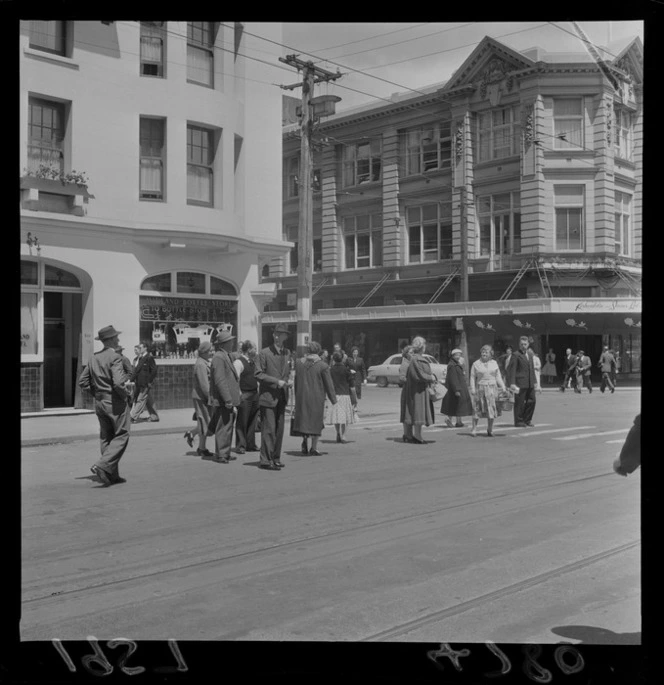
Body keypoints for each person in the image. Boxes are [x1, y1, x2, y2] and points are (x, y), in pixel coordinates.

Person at [78, 325, 132, 486]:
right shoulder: (115, 357)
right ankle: (102, 465)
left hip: (100, 402)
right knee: (122, 434)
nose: (118, 340)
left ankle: (111, 475)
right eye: (116, 337)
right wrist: (126, 396)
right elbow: (118, 383)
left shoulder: (94, 358)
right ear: (110, 340)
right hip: (114, 401)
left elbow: (83, 381)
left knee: (106, 437)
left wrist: (97, 394)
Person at [255, 324, 293, 470]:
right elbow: (258, 374)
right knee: (268, 429)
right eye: (276, 334)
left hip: (282, 396)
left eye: (281, 334)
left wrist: (288, 380)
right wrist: (277, 382)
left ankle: (275, 457)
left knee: (279, 430)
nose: (277, 337)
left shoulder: (287, 353)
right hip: (268, 397)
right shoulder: (264, 353)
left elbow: (287, 372)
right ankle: (265, 459)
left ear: (286, 337)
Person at [293, 341, 337, 456]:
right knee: (316, 422)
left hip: (302, 396)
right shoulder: (323, 365)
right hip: (316, 398)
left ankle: (304, 441)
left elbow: (296, 381)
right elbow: (329, 384)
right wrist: (333, 400)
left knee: (304, 420)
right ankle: (314, 447)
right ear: (318, 351)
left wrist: (297, 395)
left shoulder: (299, 363)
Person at [208, 330, 241, 464]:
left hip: (227, 399)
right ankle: (221, 453)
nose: (232, 343)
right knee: (224, 426)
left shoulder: (224, 355)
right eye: (230, 341)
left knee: (227, 426)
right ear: (224, 344)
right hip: (223, 400)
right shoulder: (219, 357)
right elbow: (220, 380)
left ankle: (224, 452)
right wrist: (227, 399)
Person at [400, 336, 436, 444]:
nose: (425, 347)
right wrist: (431, 377)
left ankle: (413, 435)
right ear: (421, 347)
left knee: (416, 413)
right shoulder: (416, 359)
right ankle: (418, 436)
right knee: (418, 413)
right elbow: (418, 375)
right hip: (418, 391)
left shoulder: (414, 358)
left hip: (418, 389)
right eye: (424, 345)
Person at [183, 341, 215, 457]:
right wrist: (210, 399)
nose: (212, 352)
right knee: (205, 421)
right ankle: (201, 447)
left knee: (205, 421)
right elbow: (204, 385)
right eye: (210, 350)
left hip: (203, 397)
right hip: (202, 397)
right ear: (204, 352)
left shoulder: (204, 362)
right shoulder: (201, 364)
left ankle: (199, 443)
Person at [469, 344, 507, 437]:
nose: (484, 353)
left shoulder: (494, 363)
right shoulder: (476, 364)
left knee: (491, 409)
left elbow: (498, 376)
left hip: (492, 389)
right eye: (482, 352)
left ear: (491, 354)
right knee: (477, 409)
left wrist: (503, 386)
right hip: (481, 388)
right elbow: (472, 377)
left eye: (486, 352)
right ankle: (474, 429)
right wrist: (473, 389)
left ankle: (490, 429)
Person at [233, 340, 260, 454]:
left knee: (252, 421)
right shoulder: (239, 362)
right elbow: (235, 380)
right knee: (242, 421)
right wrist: (239, 396)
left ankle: (250, 444)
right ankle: (240, 446)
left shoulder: (253, 362)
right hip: (245, 394)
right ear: (249, 349)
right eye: (254, 348)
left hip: (254, 394)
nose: (256, 350)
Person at [506, 335, 539, 427]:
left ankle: (527, 419)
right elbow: (512, 370)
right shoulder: (516, 355)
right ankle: (519, 421)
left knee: (532, 401)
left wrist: (535, 381)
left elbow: (531, 369)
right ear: (519, 345)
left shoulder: (530, 354)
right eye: (521, 344)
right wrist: (512, 383)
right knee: (519, 403)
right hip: (519, 383)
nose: (523, 346)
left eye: (525, 344)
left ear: (528, 344)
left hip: (530, 382)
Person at [326, 351, 355, 443]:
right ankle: (343, 435)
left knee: (336, 416)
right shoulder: (346, 370)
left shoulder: (330, 370)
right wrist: (354, 398)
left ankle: (338, 433)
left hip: (334, 394)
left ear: (334, 359)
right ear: (342, 358)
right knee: (344, 417)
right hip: (344, 394)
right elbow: (351, 384)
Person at [440, 348, 473, 428]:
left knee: (459, 406)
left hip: (459, 388)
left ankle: (459, 422)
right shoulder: (452, 365)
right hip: (455, 389)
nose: (458, 356)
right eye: (456, 355)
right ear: (453, 355)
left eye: (459, 355)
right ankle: (448, 419)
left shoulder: (456, 364)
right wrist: (457, 390)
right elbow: (453, 378)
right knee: (452, 405)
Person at [129, 342, 159, 423]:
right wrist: (131, 379)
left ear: (145, 348)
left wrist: (149, 380)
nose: (139, 349)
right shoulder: (141, 357)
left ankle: (133, 417)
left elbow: (154, 370)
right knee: (148, 400)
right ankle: (154, 417)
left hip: (145, 383)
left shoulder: (149, 357)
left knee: (140, 399)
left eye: (141, 347)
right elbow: (137, 371)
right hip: (140, 382)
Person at [346, 346, 367, 411]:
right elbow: (345, 368)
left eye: (356, 352)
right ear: (352, 353)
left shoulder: (360, 359)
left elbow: (363, 369)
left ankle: (355, 405)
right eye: (354, 352)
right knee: (352, 391)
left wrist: (365, 378)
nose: (355, 353)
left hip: (358, 376)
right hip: (351, 376)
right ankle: (353, 405)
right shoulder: (348, 359)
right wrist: (349, 371)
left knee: (356, 391)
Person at [399, 346, 413, 443]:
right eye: (411, 352)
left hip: (411, 390)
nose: (412, 354)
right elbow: (402, 378)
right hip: (407, 390)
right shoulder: (405, 363)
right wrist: (412, 381)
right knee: (406, 413)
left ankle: (409, 434)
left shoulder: (411, 362)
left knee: (410, 413)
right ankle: (406, 434)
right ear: (406, 353)